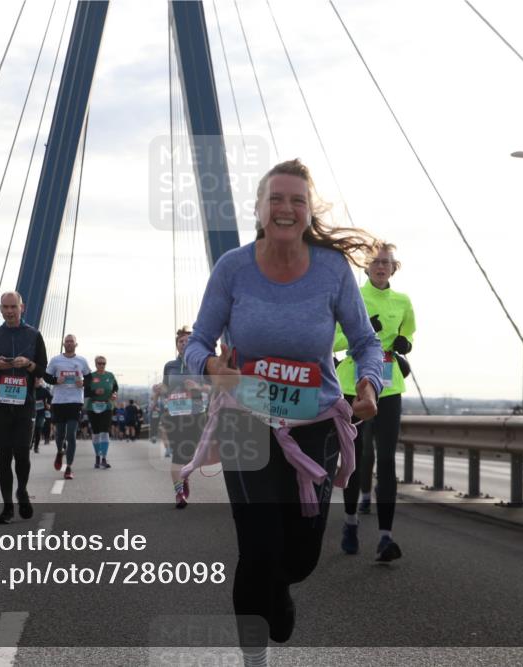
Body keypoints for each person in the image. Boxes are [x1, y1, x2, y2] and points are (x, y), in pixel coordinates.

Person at [180, 159, 382, 662]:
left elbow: (365, 343)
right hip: (245, 419)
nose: (286, 208)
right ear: (259, 209)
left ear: (309, 212)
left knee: (300, 556)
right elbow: (198, 341)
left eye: (297, 200)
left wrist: (369, 386)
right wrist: (212, 367)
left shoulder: (332, 271)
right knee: (259, 546)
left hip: (314, 426)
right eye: (276, 199)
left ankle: (282, 588)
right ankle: (254, 659)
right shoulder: (233, 268)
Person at [336, 240, 415, 561]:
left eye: (387, 262)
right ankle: (351, 523)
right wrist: (364, 330)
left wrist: (403, 343)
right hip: (353, 382)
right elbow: (335, 338)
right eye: (376, 261)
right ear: (366, 267)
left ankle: (385, 537)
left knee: (386, 461)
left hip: (389, 385)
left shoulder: (403, 301)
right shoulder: (352, 297)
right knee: (353, 459)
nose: (381, 266)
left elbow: (408, 334)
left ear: (394, 268)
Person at [0, 292, 48, 524]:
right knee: (4, 455)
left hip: (24, 404)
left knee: (21, 452)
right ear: (0, 309)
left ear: (22, 307)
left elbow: (43, 370)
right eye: (5, 307)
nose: (9, 311)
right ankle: (8, 506)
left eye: (13, 307)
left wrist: (28, 364)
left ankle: (22, 490)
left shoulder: (34, 335)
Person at [156, 326, 206, 509]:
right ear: (176, 346)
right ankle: (179, 492)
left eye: (187, 340)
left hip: (197, 414)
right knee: (178, 454)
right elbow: (166, 389)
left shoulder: (202, 363)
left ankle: (184, 476)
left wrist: (198, 388)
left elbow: (214, 389)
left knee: (190, 454)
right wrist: (160, 389)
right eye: (180, 341)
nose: (184, 343)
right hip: (175, 416)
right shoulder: (170, 366)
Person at [44, 334, 90, 480]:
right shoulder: (56, 360)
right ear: (64, 344)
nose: (69, 343)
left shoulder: (82, 361)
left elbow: (89, 378)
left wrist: (83, 383)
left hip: (75, 401)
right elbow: (46, 376)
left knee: (71, 434)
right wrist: (56, 380)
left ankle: (69, 467)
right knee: (59, 434)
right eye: (67, 341)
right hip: (58, 401)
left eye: (72, 341)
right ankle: (59, 451)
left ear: (76, 344)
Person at [85, 356, 119, 469]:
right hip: (93, 406)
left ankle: (104, 457)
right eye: (99, 363)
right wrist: (95, 391)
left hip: (107, 406)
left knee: (104, 432)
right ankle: (97, 457)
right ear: (95, 364)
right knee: (96, 432)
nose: (101, 365)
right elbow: (85, 391)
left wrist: (114, 394)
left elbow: (115, 388)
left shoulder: (110, 376)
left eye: (103, 363)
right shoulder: (91, 376)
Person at [32, 379, 52, 454]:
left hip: (41, 412)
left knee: (38, 429)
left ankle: (36, 447)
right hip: (31, 412)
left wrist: (48, 404)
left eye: (38, 380)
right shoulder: (30, 389)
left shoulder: (44, 390)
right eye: (35, 380)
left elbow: (50, 397)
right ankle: (31, 443)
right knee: (31, 429)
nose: (36, 382)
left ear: (40, 382)